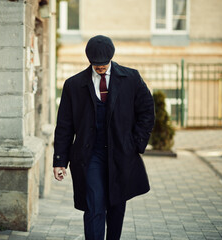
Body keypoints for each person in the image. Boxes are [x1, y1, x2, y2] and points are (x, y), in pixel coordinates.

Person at [53, 35, 155, 240]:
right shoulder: (73, 85)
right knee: (94, 206)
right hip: (89, 156)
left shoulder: (131, 79)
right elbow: (64, 125)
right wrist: (60, 161)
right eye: (96, 64)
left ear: (111, 57)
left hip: (121, 154)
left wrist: (136, 143)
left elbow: (147, 111)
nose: (100, 67)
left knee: (116, 206)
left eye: (104, 63)